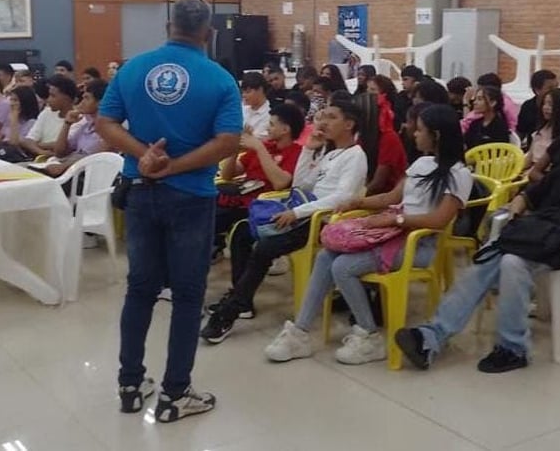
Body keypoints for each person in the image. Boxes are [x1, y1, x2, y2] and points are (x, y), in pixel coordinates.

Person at [95, 0, 242, 422]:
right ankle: (175, 394)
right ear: (208, 33)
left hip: (140, 192)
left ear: (168, 27)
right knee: (188, 295)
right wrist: (174, 166)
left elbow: (105, 123)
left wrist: (144, 156)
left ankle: (130, 385)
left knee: (140, 289)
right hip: (192, 196)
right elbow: (228, 141)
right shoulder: (220, 79)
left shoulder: (133, 69)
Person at [395, 123, 560, 373]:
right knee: (489, 261)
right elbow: (526, 196)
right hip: (532, 240)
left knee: (511, 262)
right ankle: (431, 337)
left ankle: (512, 347)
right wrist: (514, 212)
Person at [264, 104, 473, 364]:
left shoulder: (459, 174)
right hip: (392, 234)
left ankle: (369, 334)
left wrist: (396, 219)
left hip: (418, 244)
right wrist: (357, 202)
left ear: (437, 135)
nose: (414, 134)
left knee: (343, 267)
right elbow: (390, 197)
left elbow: (439, 220)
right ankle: (300, 331)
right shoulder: (422, 164)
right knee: (326, 257)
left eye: (420, 130)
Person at [201, 100, 369, 344]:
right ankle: (242, 300)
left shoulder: (355, 156)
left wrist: (297, 213)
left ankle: (229, 312)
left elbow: (342, 197)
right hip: (305, 212)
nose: (323, 122)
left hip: (321, 221)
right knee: (243, 232)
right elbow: (301, 185)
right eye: (324, 116)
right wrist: (309, 150)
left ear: (349, 124)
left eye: (332, 117)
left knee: (265, 248)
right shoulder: (331, 153)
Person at [214, 103, 304, 261]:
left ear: (285, 129)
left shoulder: (296, 152)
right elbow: (228, 175)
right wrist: (235, 148)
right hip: (239, 197)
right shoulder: (266, 146)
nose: (267, 128)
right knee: (201, 205)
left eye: (272, 124)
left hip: (263, 205)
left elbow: (280, 183)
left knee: (218, 220)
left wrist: (259, 148)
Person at [41, 79, 110, 177]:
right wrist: (67, 123)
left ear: (100, 103)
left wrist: (64, 167)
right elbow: (59, 152)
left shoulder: (109, 130)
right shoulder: (86, 126)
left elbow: (94, 157)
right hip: (71, 172)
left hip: (86, 177)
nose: (82, 102)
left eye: (86, 98)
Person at [357, 93, 408, 195]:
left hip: (388, 195)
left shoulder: (389, 138)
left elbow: (379, 183)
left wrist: (356, 197)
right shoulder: (363, 136)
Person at [19, 76, 74, 157]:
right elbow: (28, 140)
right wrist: (41, 152)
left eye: (53, 96)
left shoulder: (77, 119)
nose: (49, 100)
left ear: (66, 99)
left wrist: (37, 144)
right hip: (39, 157)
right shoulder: (46, 112)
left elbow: (61, 146)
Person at [525, 88, 560, 173]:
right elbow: (529, 157)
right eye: (544, 103)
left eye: (550, 104)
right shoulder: (542, 129)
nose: (545, 107)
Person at [463, 86, 512, 150]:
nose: (474, 102)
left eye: (479, 99)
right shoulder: (474, 124)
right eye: (475, 99)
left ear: (492, 103)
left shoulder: (500, 127)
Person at [516, 70, 558, 143]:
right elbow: (521, 132)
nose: (555, 91)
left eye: (557, 87)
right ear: (537, 90)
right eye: (550, 88)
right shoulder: (528, 107)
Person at [240, 72, 271, 139]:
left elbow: (262, 138)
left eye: (248, 92)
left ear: (260, 90)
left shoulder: (269, 114)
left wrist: (247, 136)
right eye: (243, 92)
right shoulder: (241, 107)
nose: (244, 95)